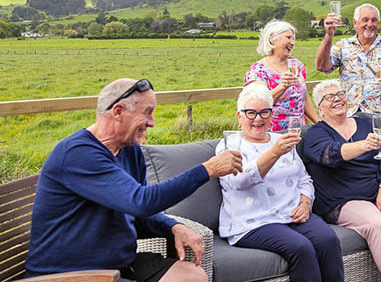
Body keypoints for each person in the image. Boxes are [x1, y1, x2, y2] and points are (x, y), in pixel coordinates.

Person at [26, 78, 243, 281]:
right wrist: (208, 169)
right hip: (72, 273)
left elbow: (139, 212)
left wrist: (173, 226)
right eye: (147, 113)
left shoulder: (129, 150)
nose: (152, 123)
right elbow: (141, 200)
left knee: (192, 276)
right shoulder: (77, 153)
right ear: (118, 111)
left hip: (118, 264)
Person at [217, 82, 344, 282]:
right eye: (251, 113)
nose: (258, 119)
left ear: (271, 114)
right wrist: (274, 152)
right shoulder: (229, 145)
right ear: (239, 116)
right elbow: (240, 181)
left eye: (264, 112)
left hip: (291, 214)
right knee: (301, 247)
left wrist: (305, 203)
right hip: (253, 222)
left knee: (328, 240)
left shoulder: (282, 139)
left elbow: (304, 179)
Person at [302, 79, 381, 282]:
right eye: (329, 98)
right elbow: (330, 155)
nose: (337, 99)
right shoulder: (315, 134)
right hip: (343, 200)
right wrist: (363, 146)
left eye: (340, 94)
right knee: (377, 224)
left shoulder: (366, 123)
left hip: (377, 190)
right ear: (320, 108)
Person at [245, 20, 319, 131]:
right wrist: (282, 86)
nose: (293, 42)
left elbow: (304, 99)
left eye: (293, 38)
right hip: (273, 132)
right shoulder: (258, 70)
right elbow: (260, 103)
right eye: (288, 38)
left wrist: (319, 123)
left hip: (300, 130)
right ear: (272, 39)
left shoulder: (297, 65)